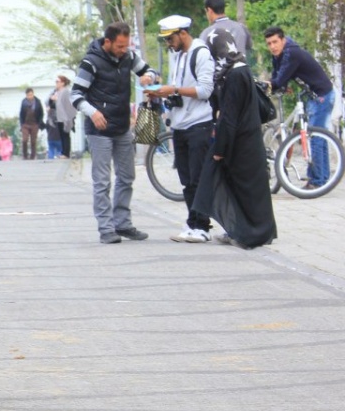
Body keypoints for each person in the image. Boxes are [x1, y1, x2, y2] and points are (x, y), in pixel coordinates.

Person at [71, 22, 158, 244]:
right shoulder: (91, 62)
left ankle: (123, 223)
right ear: (107, 42)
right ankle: (106, 228)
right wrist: (93, 113)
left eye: (126, 46)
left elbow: (150, 71)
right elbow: (76, 95)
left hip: (121, 127)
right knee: (102, 181)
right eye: (119, 46)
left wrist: (149, 77)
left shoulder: (128, 57)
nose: (123, 50)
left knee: (127, 176)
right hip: (99, 130)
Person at [192, 31, 277, 248]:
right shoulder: (240, 67)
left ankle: (246, 232)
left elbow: (229, 117)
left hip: (239, 142)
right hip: (249, 139)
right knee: (248, 190)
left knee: (233, 185)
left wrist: (221, 148)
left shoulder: (233, 75)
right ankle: (242, 230)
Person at [145, 15, 215, 244]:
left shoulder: (201, 53)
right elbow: (175, 83)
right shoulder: (175, 54)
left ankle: (203, 225)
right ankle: (192, 221)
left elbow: (205, 90)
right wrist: (160, 90)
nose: (168, 43)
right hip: (179, 124)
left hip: (199, 123)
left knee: (198, 178)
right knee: (185, 179)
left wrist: (173, 89)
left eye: (170, 38)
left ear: (183, 33)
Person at [263, 26, 337, 190]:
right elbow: (277, 76)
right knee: (318, 138)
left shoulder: (291, 53)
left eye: (275, 42)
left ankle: (317, 181)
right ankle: (322, 178)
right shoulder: (279, 55)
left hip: (322, 96)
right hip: (313, 97)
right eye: (269, 43)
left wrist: (272, 84)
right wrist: (277, 83)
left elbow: (279, 80)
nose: (272, 46)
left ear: (283, 40)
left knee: (316, 138)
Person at [49, 75, 77, 158]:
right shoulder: (57, 92)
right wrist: (52, 99)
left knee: (65, 135)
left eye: (58, 82)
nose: (56, 83)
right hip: (59, 117)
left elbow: (66, 105)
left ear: (62, 83)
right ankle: (63, 152)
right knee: (61, 135)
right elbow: (53, 106)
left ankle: (66, 153)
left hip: (66, 117)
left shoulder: (65, 92)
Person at [19, 88, 44, 160]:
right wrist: (22, 124)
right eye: (28, 95)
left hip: (34, 124)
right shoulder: (23, 102)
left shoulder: (37, 102)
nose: (30, 96)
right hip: (25, 124)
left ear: (33, 94)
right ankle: (25, 155)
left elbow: (41, 113)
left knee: (33, 140)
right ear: (26, 95)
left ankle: (33, 156)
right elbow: (21, 114)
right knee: (25, 140)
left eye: (31, 94)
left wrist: (39, 123)